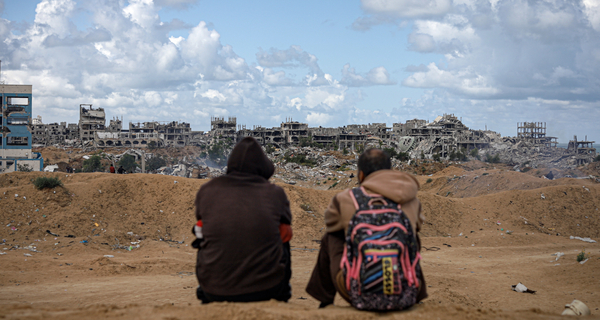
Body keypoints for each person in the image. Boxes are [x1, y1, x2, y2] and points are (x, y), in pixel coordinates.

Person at [305, 148, 427, 308]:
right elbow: (417, 228)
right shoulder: (411, 200)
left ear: (361, 175)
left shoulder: (346, 199)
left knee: (331, 236)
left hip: (357, 293)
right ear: (389, 171)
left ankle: (325, 299)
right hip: (405, 292)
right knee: (412, 236)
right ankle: (418, 293)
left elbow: (330, 223)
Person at [193, 137, 292, 303]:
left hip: (214, 289)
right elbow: (285, 230)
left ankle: (205, 288)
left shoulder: (207, 191)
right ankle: (282, 293)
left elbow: (200, 228)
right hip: (266, 289)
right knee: (284, 233)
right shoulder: (275, 193)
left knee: (201, 234)